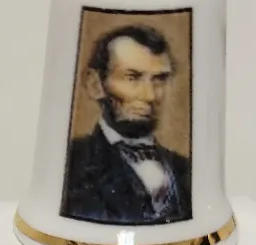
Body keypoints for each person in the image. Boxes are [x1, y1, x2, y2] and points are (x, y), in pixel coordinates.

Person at [62, 24, 191, 225]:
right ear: (95, 84)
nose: (150, 95)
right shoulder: (71, 163)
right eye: (132, 78)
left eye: (159, 80)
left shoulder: (185, 168)